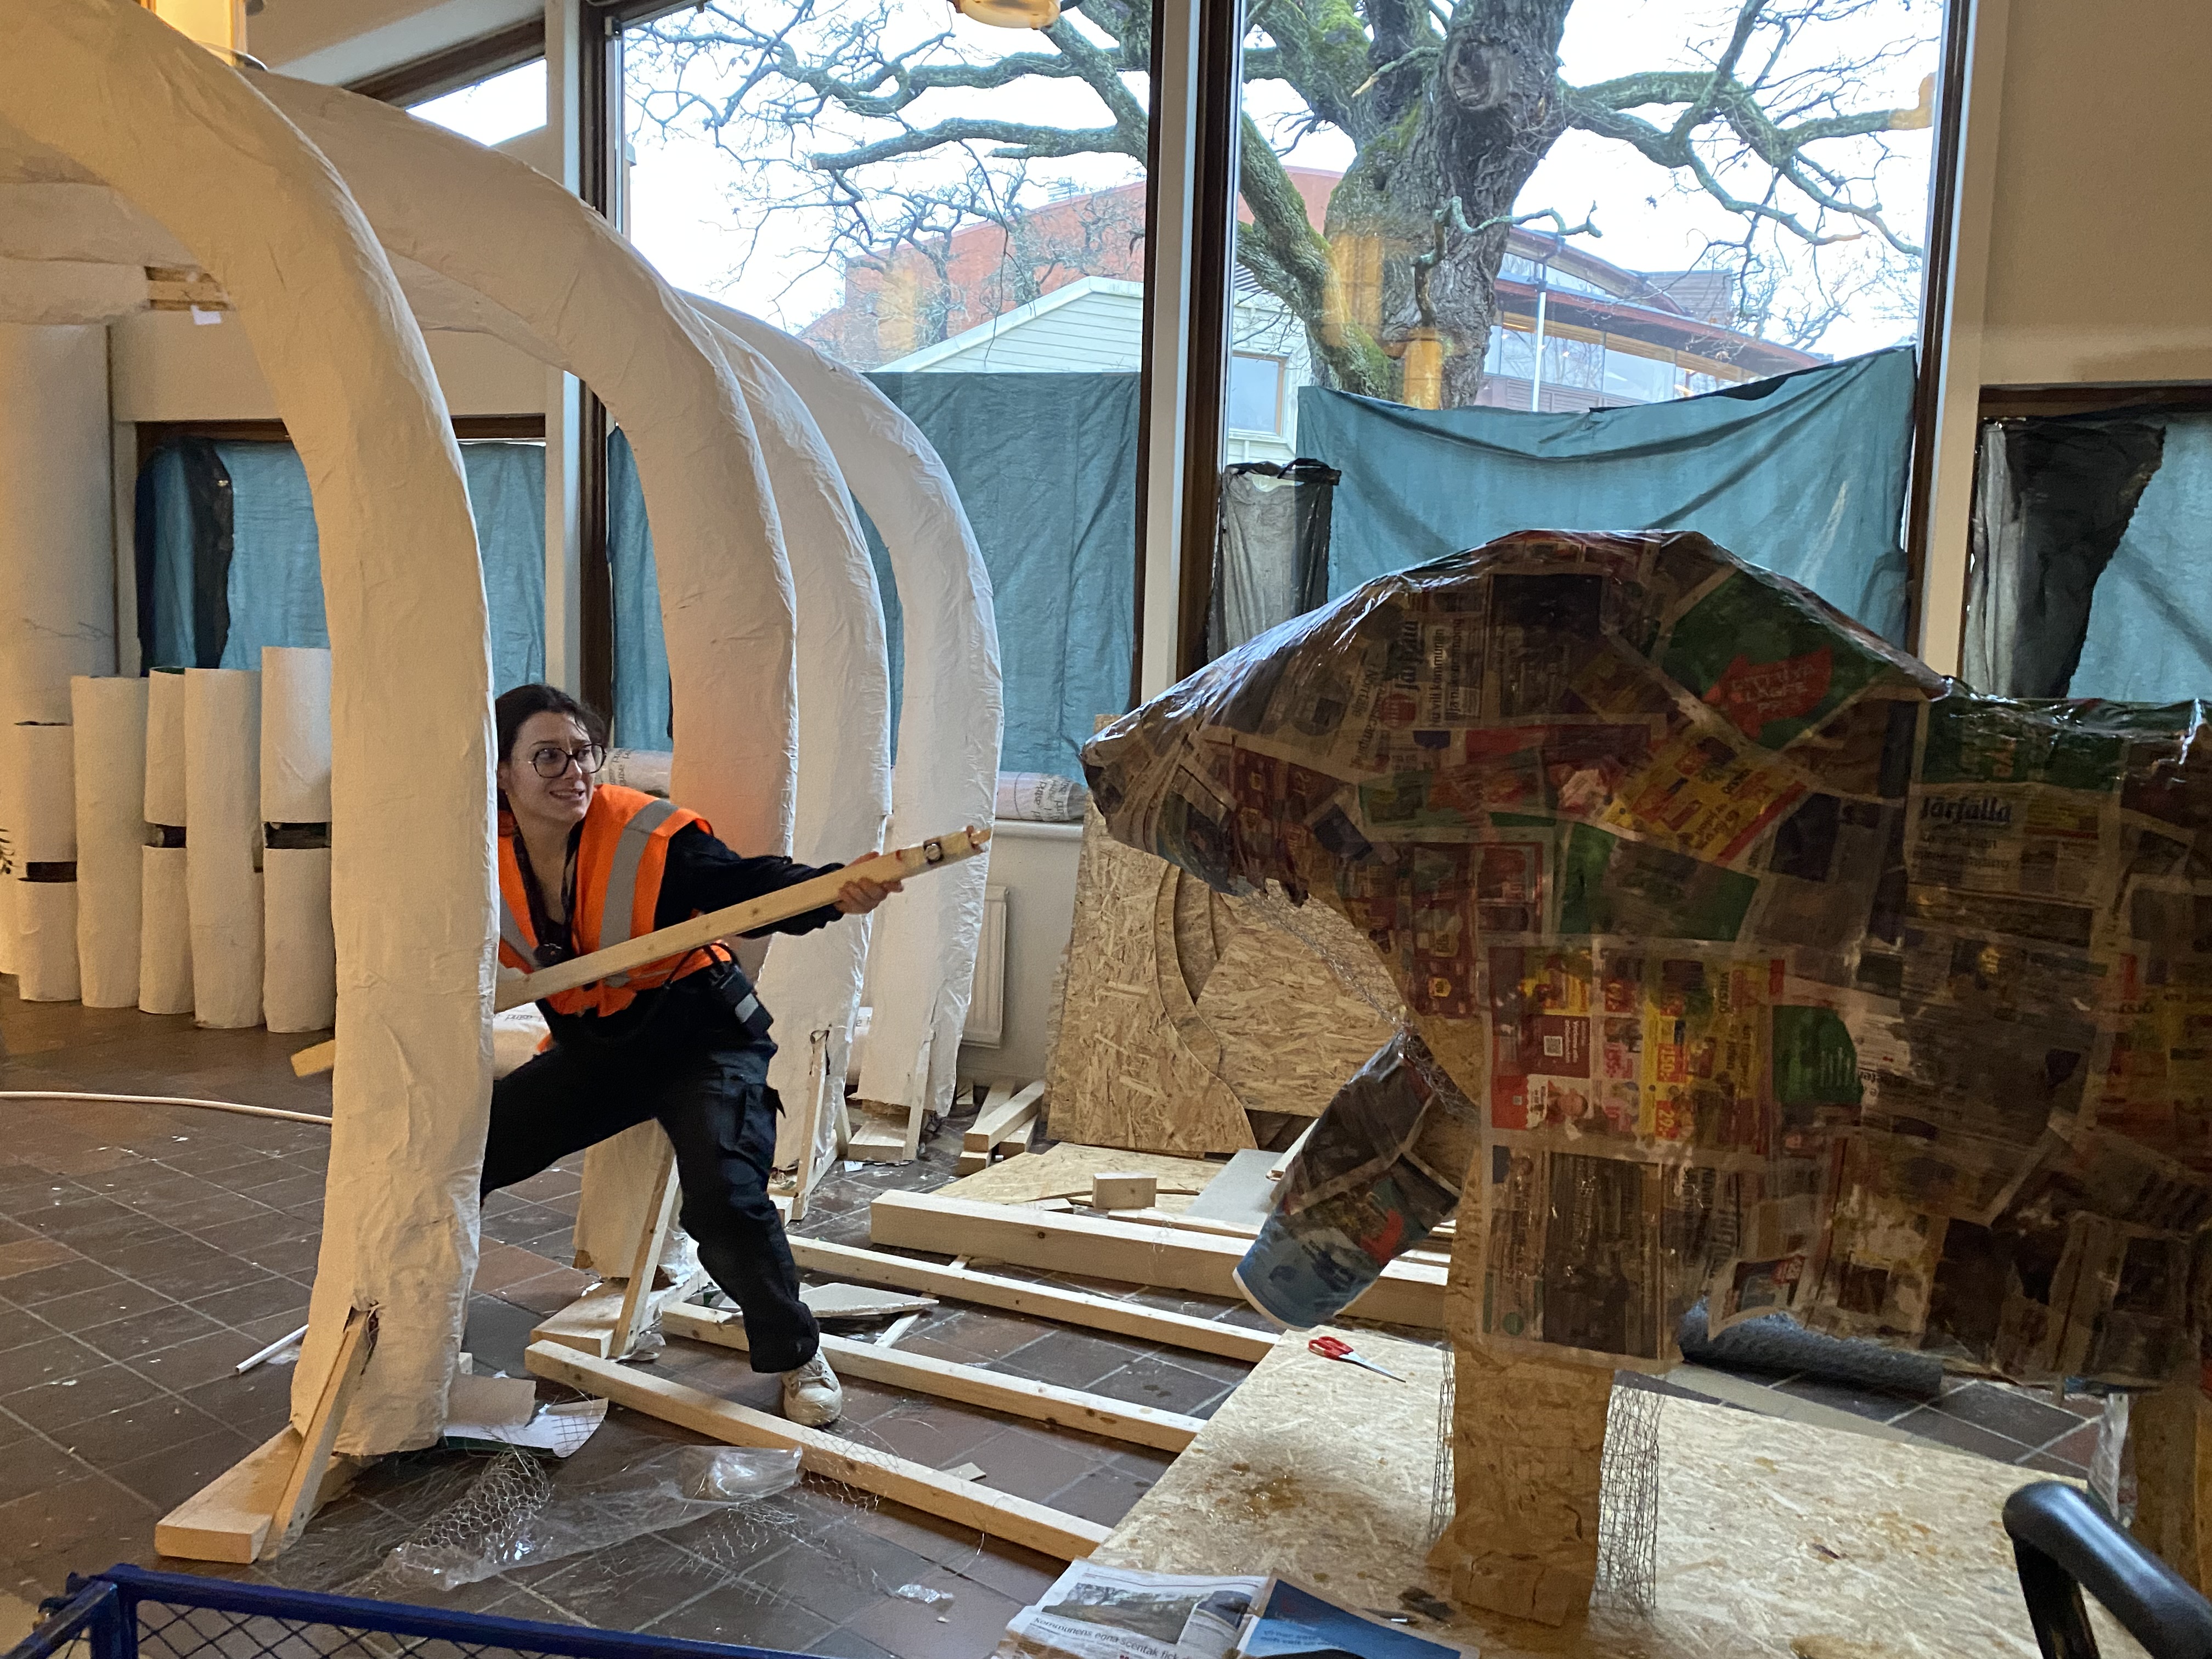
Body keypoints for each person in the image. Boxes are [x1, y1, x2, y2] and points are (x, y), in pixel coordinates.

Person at [478, 684, 899, 1425]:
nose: (573, 772)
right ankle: (415, 1317)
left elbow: (749, 887)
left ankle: (797, 1354)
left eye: (584, 752)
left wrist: (834, 889)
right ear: (503, 772)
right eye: (548, 757)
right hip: (599, 1051)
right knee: (463, 1156)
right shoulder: (481, 856)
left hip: (703, 1039)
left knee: (727, 1201)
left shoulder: (645, 836)